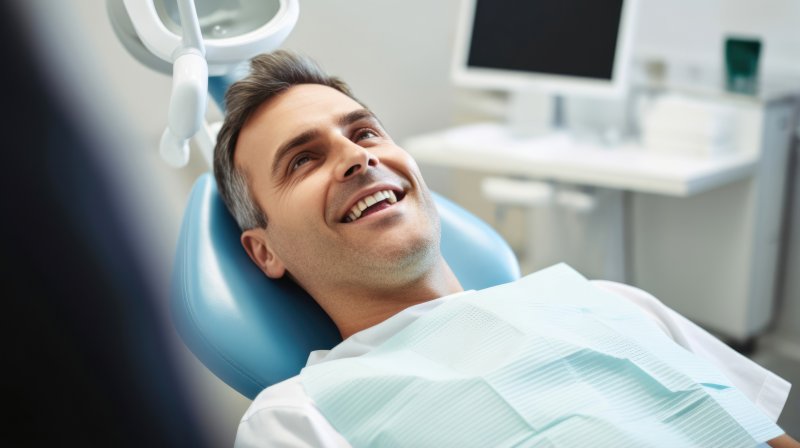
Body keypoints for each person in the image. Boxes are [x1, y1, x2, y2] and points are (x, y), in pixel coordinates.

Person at [214, 51, 796, 447]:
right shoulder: (295, 418)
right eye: (303, 160)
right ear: (265, 251)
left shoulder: (609, 303)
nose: (357, 157)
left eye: (364, 132)